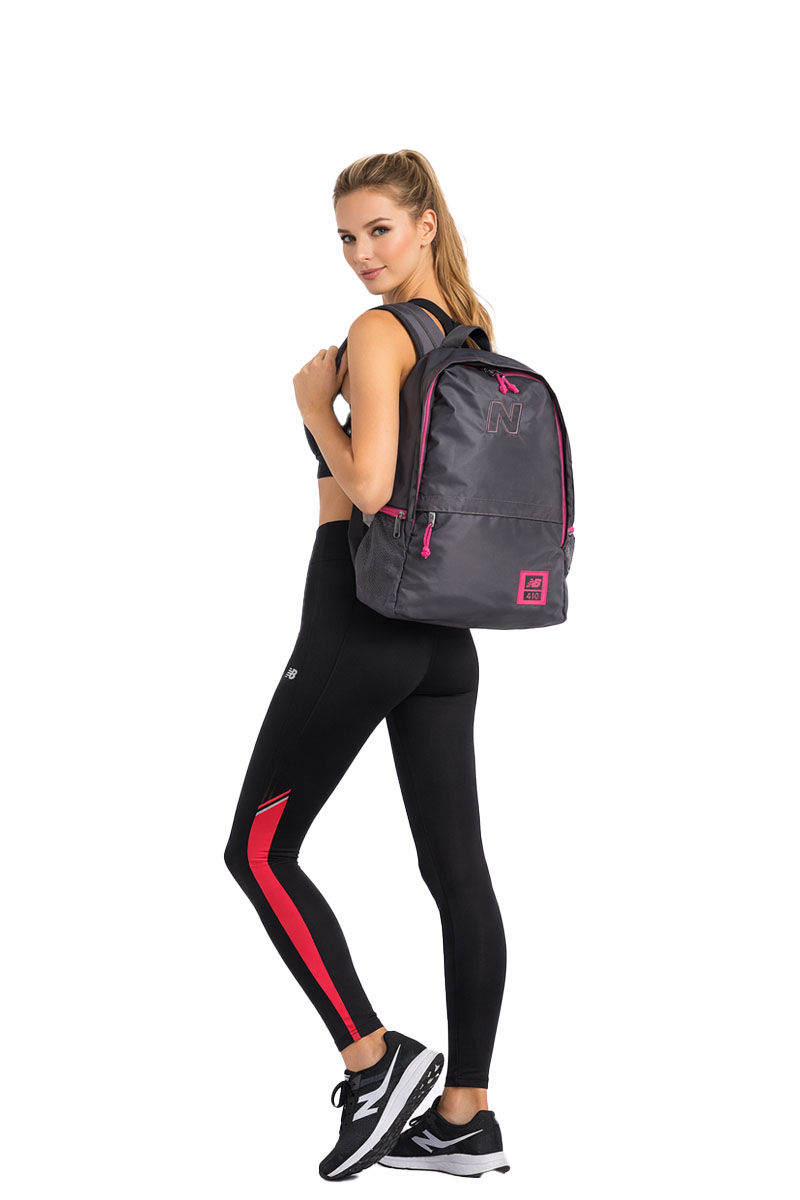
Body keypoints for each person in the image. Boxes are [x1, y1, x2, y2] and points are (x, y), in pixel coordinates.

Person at [224, 149, 510, 1181]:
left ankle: (372, 1056)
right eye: (346, 237)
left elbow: (375, 489)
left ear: (426, 223)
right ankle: (466, 1116)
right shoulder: (468, 334)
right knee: (456, 871)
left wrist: (314, 406)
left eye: (379, 229)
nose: (360, 254)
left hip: (359, 619)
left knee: (257, 853)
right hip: (444, 636)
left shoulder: (380, 333)